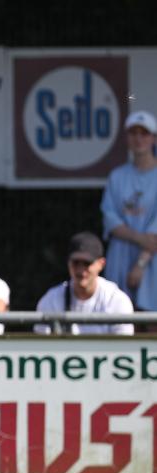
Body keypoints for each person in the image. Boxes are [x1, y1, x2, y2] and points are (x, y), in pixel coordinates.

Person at [101, 110, 157, 313]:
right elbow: (110, 218)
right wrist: (140, 238)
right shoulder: (117, 176)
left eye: (145, 133)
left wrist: (141, 264)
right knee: (120, 320)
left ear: (154, 138)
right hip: (120, 258)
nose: (139, 138)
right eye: (134, 133)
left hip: (152, 262)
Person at [34, 232, 134, 335]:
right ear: (68, 262)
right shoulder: (51, 300)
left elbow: (122, 349)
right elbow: (42, 347)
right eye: (76, 262)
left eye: (87, 263)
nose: (80, 270)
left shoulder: (116, 300)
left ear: (101, 264)